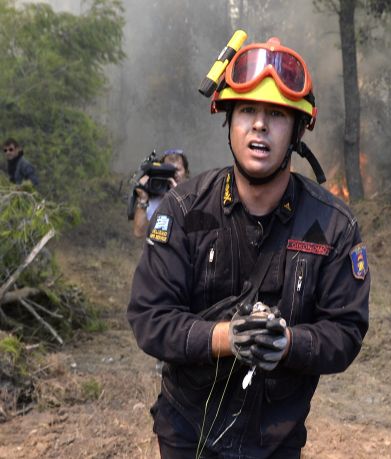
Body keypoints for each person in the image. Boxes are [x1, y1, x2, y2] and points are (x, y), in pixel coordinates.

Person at [127, 36, 370, 458]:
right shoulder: (184, 212)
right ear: (229, 122)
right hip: (188, 431)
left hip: (275, 439)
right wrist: (226, 337)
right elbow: (150, 317)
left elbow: (346, 330)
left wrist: (287, 343)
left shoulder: (333, 226)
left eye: (276, 115)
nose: (260, 125)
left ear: (297, 131)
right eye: (248, 111)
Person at [132, 149, 189, 238]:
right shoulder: (152, 198)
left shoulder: (193, 197)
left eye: (177, 170)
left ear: (186, 173)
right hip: (157, 249)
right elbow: (139, 233)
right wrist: (143, 200)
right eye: (169, 170)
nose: (174, 174)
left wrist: (176, 195)